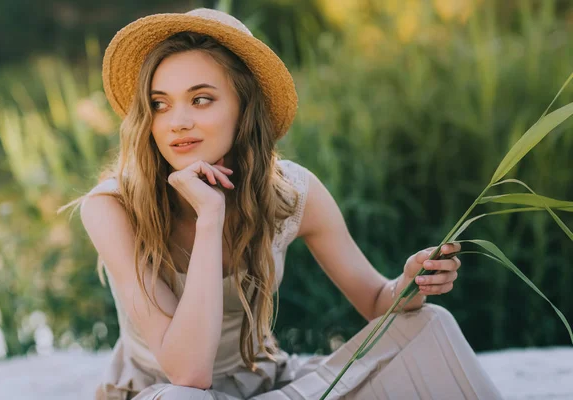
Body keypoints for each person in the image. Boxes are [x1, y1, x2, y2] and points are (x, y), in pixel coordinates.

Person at [76, 7, 503, 400]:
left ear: (244, 107)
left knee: (431, 324)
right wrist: (210, 217)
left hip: (268, 386)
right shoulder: (113, 207)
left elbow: (375, 300)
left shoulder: (292, 192)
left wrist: (410, 284)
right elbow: (188, 373)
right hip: (164, 392)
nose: (178, 121)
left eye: (201, 99)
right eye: (159, 104)